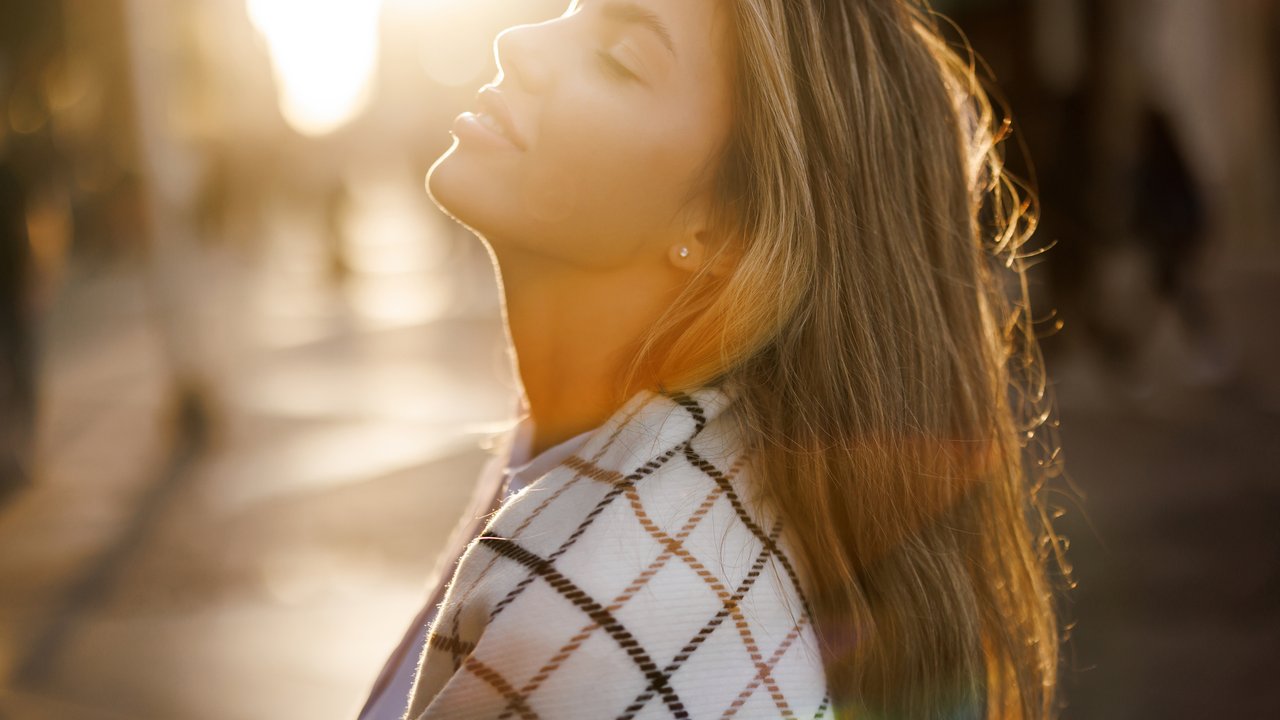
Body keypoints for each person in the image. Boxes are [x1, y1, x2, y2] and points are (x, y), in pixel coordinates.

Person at [357, 1, 1068, 718]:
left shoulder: (608, 627)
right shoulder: (574, 460)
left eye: (619, 59)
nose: (517, 41)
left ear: (726, 227)